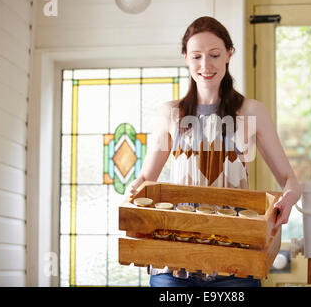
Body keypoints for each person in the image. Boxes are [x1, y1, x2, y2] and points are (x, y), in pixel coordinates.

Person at [127, 16, 301, 287]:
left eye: (215, 55)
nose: (205, 65)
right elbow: (147, 179)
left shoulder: (252, 112)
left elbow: (290, 181)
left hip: (236, 261)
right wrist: (134, 189)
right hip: (174, 260)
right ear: (185, 58)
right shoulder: (170, 114)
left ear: (229, 54)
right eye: (196, 56)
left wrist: (288, 199)